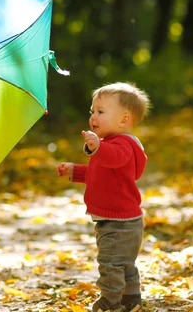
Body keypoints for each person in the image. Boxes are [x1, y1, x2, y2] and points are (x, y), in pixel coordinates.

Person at [56, 82, 151, 312]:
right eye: (92, 111)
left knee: (110, 264)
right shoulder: (110, 145)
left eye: (100, 112)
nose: (93, 117)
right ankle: (131, 300)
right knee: (124, 265)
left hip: (118, 222)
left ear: (124, 120)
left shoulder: (122, 145)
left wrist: (98, 147)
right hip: (122, 221)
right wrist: (74, 171)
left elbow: (114, 158)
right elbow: (99, 174)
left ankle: (110, 302)